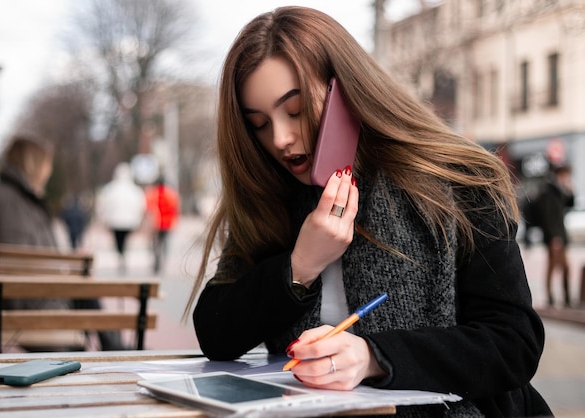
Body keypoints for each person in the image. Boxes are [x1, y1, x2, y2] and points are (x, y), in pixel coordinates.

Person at [185, 7, 552, 417]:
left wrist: (373, 357)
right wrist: (299, 266)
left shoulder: (457, 179)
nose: (281, 138)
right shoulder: (270, 194)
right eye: (259, 124)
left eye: (295, 109)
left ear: (344, 90)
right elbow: (215, 333)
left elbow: (512, 343)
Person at [0, 135, 127, 351]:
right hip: (33, 303)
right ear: (35, 165)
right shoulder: (34, 206)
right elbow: (41, 262)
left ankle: (110, 348)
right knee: (83, 282)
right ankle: (115, 348)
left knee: (80, 285)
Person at [95, 162, 146, 272]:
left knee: (118, 240)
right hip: (129, 221)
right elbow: (141, 206)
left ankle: (121, 255)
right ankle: (122, 255)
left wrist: (103, 219)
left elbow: (101, 205)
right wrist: (138, 219)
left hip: (114, 221)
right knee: (124, 240)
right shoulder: (135, 190)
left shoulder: (109, 189)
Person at [536, 164, 574, 307]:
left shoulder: (558, 190)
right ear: (559, 174)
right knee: (554, 267)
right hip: (554, 237)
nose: (566, 178)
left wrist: (569, 191)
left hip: (560, 235)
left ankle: (565, 298)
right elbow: (548, 216)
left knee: (564, 268)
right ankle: (552, 297)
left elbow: (568, 206)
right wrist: (554, 237)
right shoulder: (548, 191)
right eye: (565, 174)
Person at [145, 178, 180, 274]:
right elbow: (175, 208)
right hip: (167, 223)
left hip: (155, 223)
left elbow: (148, 209)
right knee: (165, 243)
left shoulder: (152, 193)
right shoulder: (171, 193)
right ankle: (163, 261)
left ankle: (157, 260)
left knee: (155, 244)